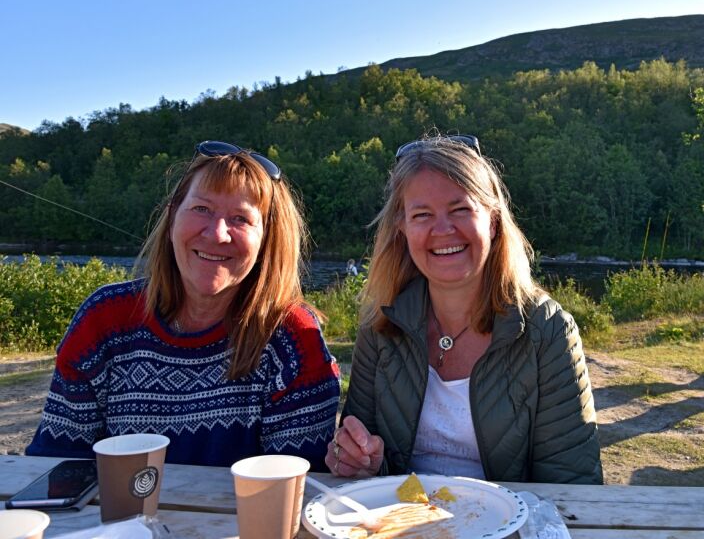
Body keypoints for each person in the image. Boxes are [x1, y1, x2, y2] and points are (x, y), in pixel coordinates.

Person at [27, 141, 342, 468]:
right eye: (202, 209)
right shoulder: (104, 320)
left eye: (240, 219)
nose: (218, 233)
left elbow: (298, 487)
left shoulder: (291, 337)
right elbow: (56, 466)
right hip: (115, 519)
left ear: (267, 240)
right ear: (171, 216)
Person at [326, 133, 602, 484]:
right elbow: (362, 462)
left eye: (460, 209)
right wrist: (360, 462)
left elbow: (572, 484)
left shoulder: (547, 331)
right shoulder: (380, 323)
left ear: (493, 219)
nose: (443, 230)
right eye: (422, 214)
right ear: (403, 229)